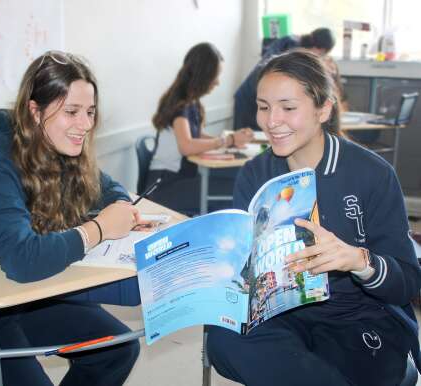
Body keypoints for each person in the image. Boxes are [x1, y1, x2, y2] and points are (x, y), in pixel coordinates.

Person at [0, 51, 146, 386]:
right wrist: (99, 229)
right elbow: (22, 259)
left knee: (117, 349)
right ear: (34, 110)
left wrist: (122, 207)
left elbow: (105, 186)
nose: (84, 124)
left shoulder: (55, 144)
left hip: (24, 297)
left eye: (90, 112)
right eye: (71, 112)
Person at [207, 50, 421, 386]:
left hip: (358, 315)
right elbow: (244, 273)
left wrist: (357, 260)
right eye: (263, 107)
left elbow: (407, 281)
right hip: (284, 315)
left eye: (288, 108)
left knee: (354, 364)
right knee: (223, 340)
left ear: (324, 109)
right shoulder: (255, 173)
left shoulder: (372, 174)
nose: (271, 121)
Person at [146, 42, 253, 215]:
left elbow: (197, 136)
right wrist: (228, 140)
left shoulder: (190, 102)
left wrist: (231, 140)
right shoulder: (180, 106)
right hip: (164, 187)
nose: (217, 82)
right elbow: (186, 145)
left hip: (178, 179)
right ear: (203, 76)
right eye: (215, 76)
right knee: (233, 189)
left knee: (236, 182)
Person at [233, 27, 336, 131]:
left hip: (257, 93)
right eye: (323, 55)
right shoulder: (293, 50)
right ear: (321, 50)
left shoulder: (293, 42)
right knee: (248, 138)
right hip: (251, 96)